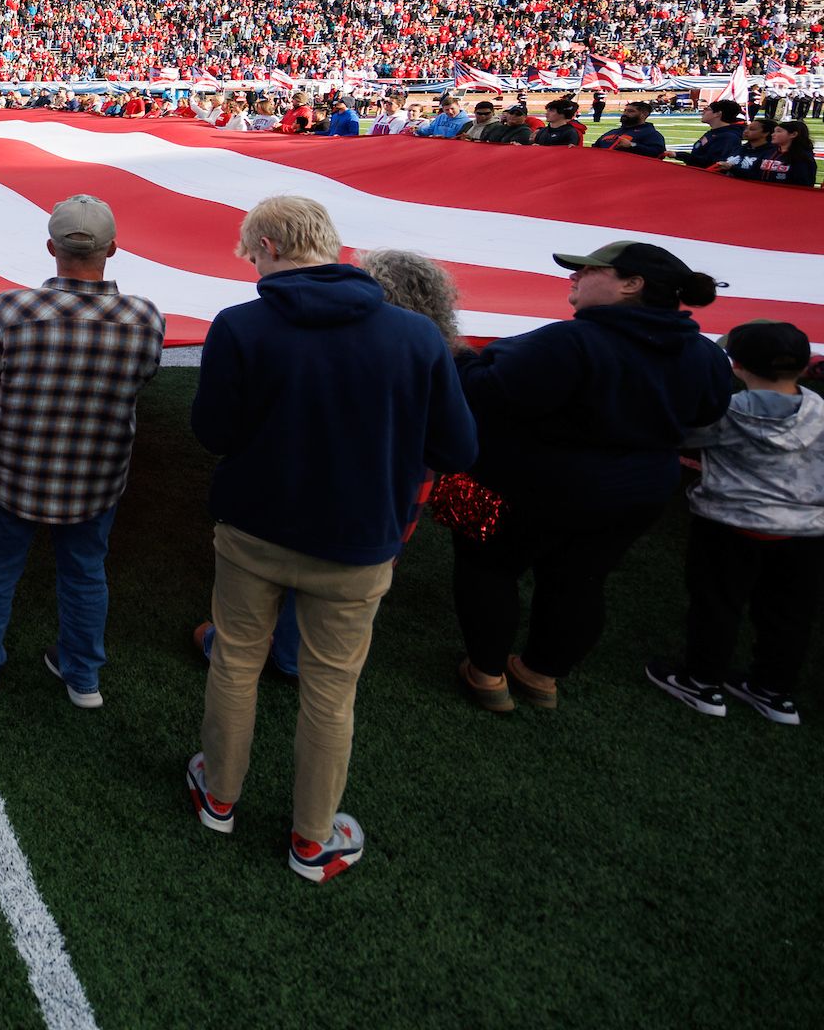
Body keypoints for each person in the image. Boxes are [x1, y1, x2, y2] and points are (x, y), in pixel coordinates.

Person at [185, 195, 475, 884]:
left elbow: (213, 434)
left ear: (273, 247)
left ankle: (219, 795)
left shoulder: (241, 326)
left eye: (252, 254)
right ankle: (313, 840)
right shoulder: (416, 337)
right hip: (359, 538)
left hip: (255, 529)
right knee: (330, 691)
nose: (252, 266)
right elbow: (456, 446)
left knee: (236, 664)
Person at [449, 241, 735, 713]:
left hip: (525, 483)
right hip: (637, 492)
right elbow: (709, 412)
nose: (573, 277)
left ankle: (486, 672)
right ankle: (541, 675)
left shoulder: (569, 341)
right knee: (582, 580)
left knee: (485, 567)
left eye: (587, 269)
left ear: (631, 283)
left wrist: (465, 360)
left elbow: (485, 394)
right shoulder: (705, 355)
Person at [0, 196, 163, 709]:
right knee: (86, 572)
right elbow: (143, 379)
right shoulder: (144, 318)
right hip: (96, 478)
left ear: (51, 247)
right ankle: (81, 673)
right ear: (113, 249)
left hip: (10, 471)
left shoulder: (10, 310)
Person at [647, 321, 821, 724]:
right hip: (806, 533)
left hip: (729, 527)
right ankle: (775, 693)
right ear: (805, 364)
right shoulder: (821, 413)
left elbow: (678, 435)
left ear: (737, 365)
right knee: (789, 615)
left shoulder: (725, 415)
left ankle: (701, 682)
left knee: (717, 605)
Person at [678, 100, 744, 168]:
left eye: (707, 109)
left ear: (718, 114)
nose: (703, 112)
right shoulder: (714, 132)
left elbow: (712, 164)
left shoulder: (728, 137)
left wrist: (682, 156)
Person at [751, 120, 816, 188]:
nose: (773, 134)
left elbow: (804, 184)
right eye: (774, 131)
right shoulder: (768, 152)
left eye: (779, 131)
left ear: (793, 134)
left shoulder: (802, 158)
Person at [590, 100, 665, 156]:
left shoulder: (651, 134)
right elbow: (595, 148)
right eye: (625, 111)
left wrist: (632, 145)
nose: (625, 114)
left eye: (631, 111)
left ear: (644, 115)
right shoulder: (613, 131)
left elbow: (658, 153)